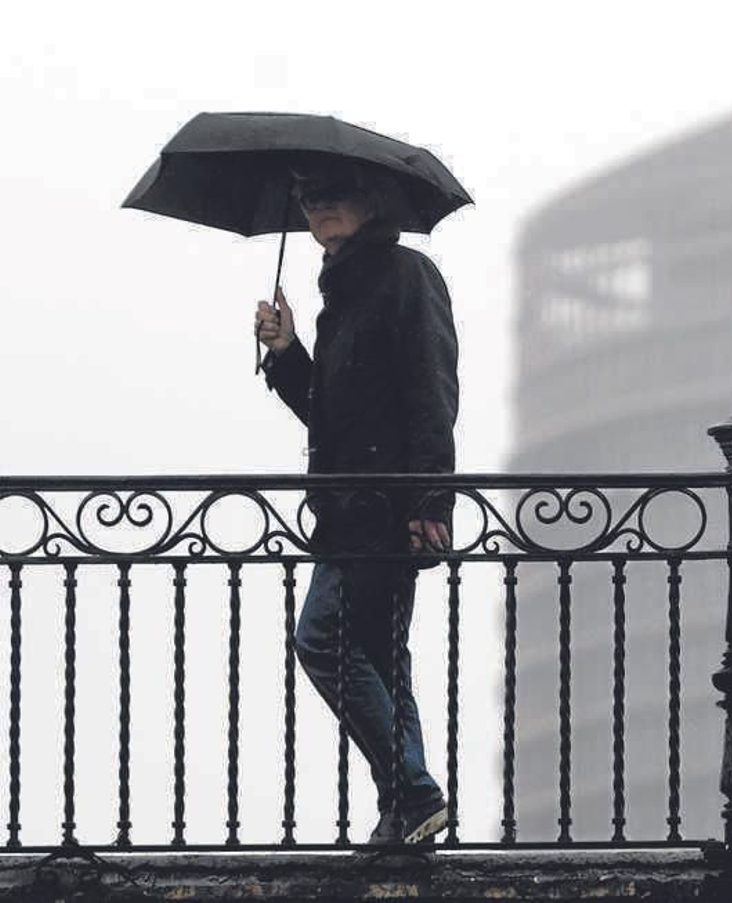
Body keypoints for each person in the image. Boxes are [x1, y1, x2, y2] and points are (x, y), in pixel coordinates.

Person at [254, 158, 459, 845]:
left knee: (323, 638)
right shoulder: (341, 294)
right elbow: (334, 416)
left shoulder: (405, 275)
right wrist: (287, 350)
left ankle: (414, 791)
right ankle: (408, 812)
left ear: (372, 202)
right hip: (351, 509)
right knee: (380, 658)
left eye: (335, 194)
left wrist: (430, 502)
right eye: (309, 197)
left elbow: (432, 393)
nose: (320, 206)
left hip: (384, 508)